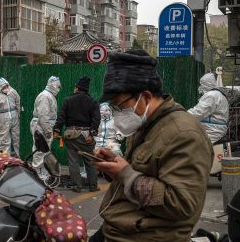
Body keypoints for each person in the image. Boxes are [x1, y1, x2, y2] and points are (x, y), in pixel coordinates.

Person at [90, 51, 213, 242]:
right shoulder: (145, 124)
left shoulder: (184, 134)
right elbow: (141, 171)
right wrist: (115, 165)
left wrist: (125, 174)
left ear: (146, 97)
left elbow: (182, 205)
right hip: (117, 230)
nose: (117, 114)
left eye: (120, 106)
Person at [53, 77, 101, 193]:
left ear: (77, 88)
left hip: (70, 135)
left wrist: (57, 130)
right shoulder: (93, 101)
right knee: (90, 161)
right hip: (86, 135)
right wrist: (92, 134)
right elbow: (96, 119)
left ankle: (77, 186)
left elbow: (61, 117)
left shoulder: (68, 100)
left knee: (73, 161)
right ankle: (93, 186)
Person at [81, 102, 123, 179]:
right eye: (102, 111)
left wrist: (119, 135)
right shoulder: (97, 121)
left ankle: (117, 171)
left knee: (116, 152)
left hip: (111, 142)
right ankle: (87, 172)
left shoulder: (115, 121)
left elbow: (120, 130)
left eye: (107, 110)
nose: (104, 112)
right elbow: (91, 131)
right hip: (97, 142)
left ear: (110, 111)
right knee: (90, 152)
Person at [31, 76, 61, 178]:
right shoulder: (45, 96)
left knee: (44, 149)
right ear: (52, 85)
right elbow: (43, 115)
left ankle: (42, 171)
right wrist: (48, 131)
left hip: (44, 126)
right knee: (40, 149)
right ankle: (38, 172)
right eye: (57, 86)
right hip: (42, 126)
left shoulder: (49, 96)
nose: (58, 88)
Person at [188, 73, 229, 144]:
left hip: (212, 131)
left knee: (192, 146)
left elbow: (199, 112)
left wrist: (183, 115)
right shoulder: (219, 94)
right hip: (216, 129)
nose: (200, 86)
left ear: (205, 84)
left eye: (202, 84)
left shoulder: (211, 95)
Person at [0, 78, 21, 156]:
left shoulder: (13, 92)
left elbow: (18, 102)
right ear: (0, 87)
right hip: (2, 118)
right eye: (4, 87)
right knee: (4, 139)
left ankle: (19, 156)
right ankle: (5, 158)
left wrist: (19, 114)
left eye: (7, 86)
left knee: (16, 137)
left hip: (14, 116)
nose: (6, 88)